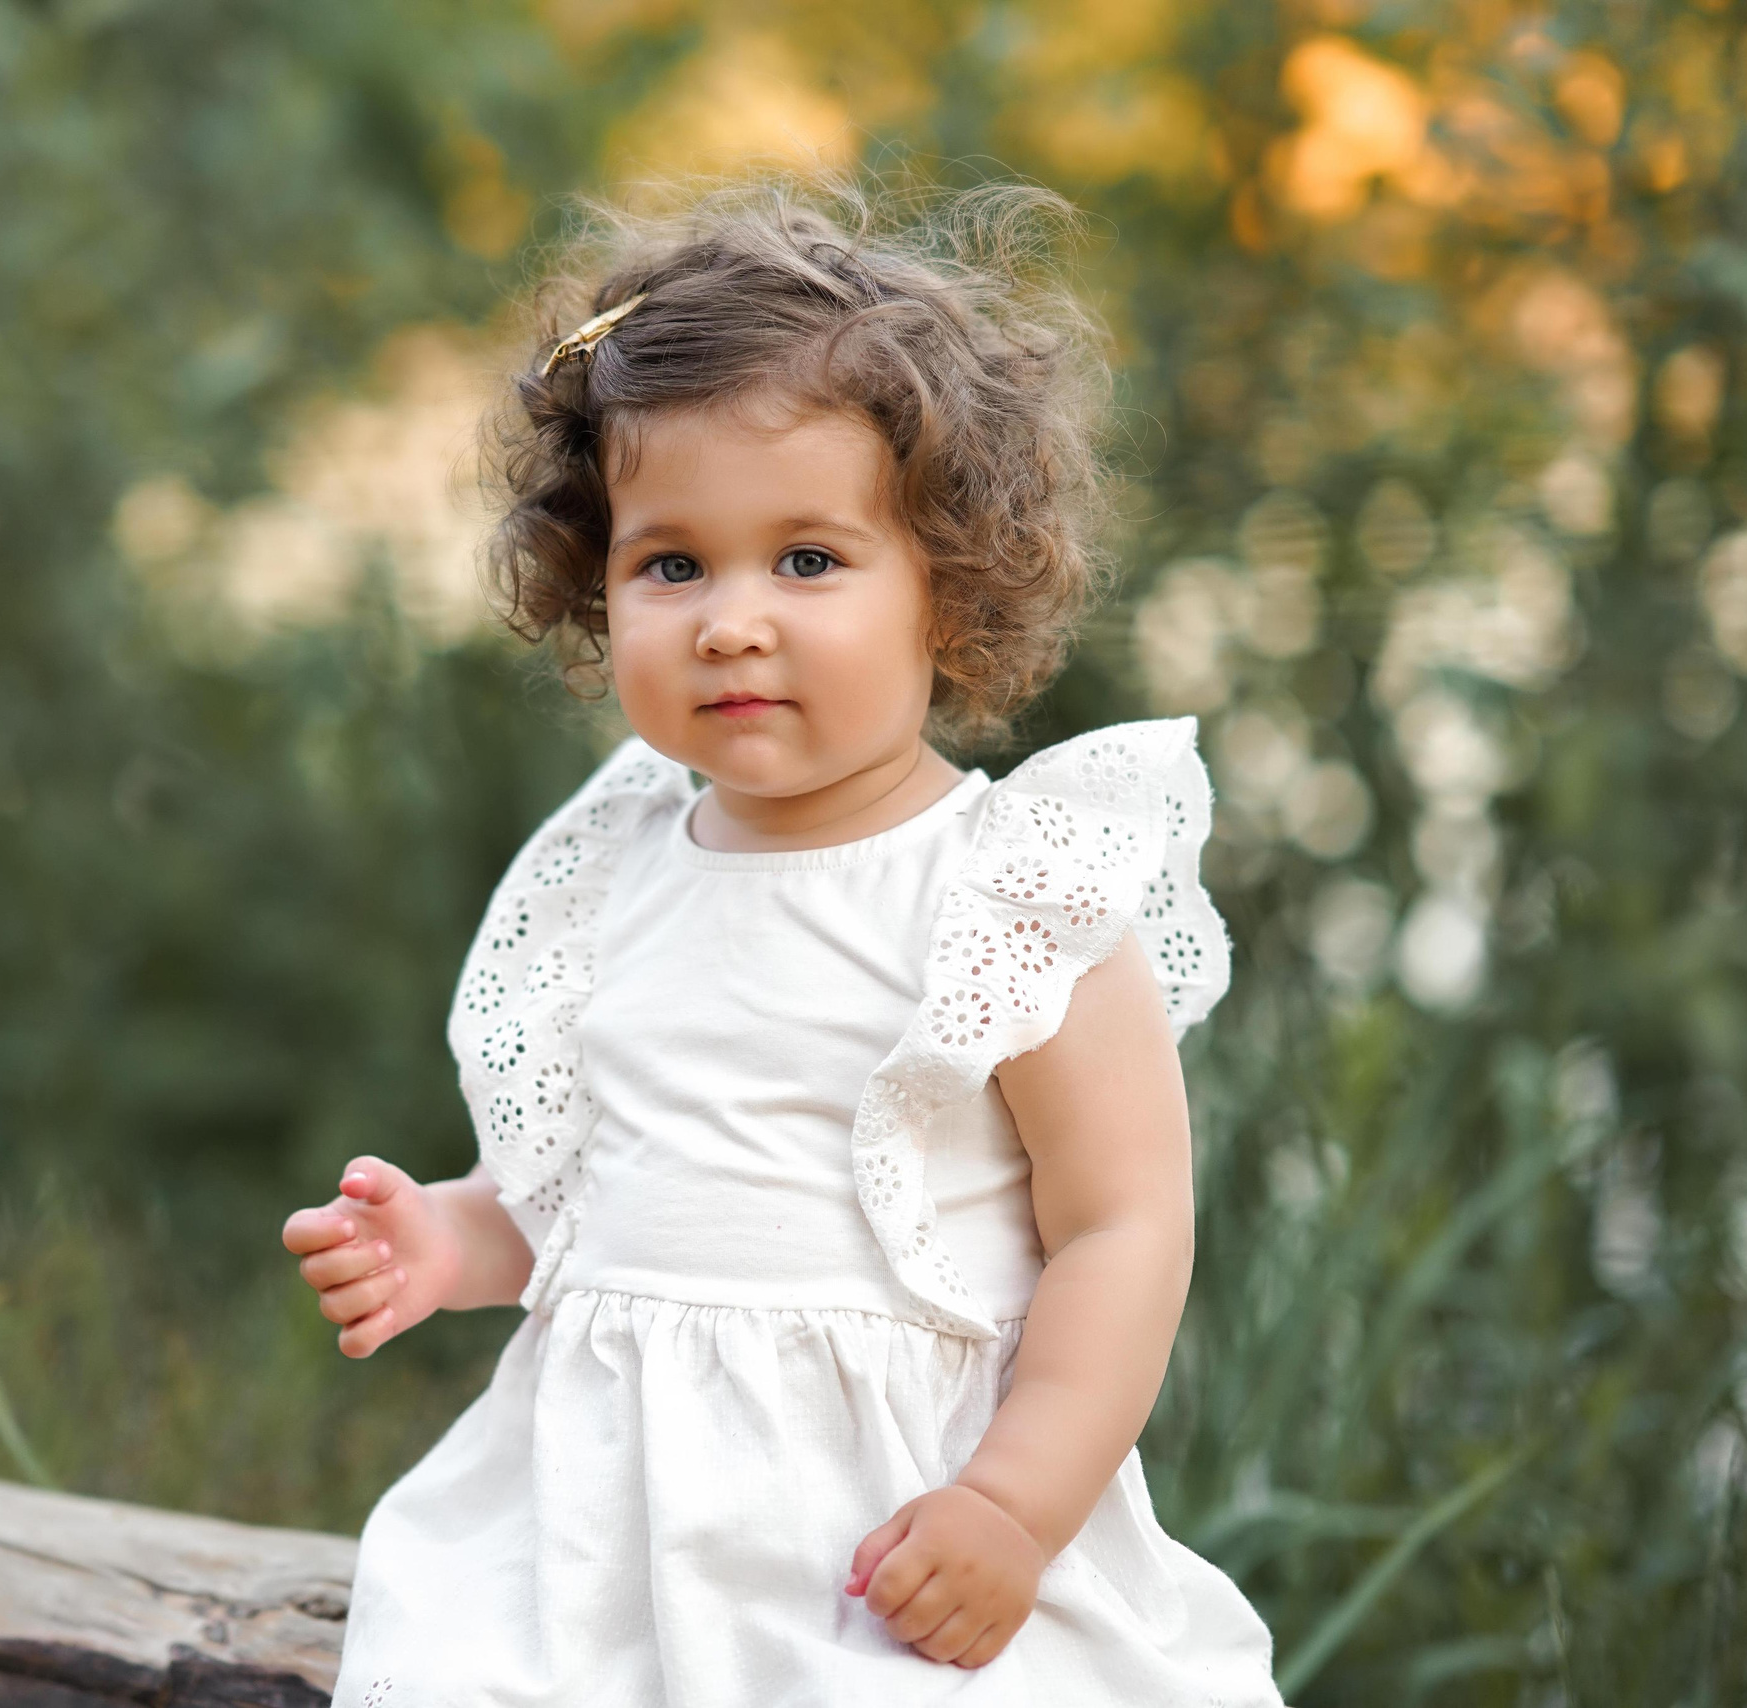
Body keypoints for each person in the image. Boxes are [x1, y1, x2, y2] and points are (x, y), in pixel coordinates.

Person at [281, 179, 1284, 1706]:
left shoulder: (1015, 891)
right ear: (595, 586)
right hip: (608, 1525)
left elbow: (1122, 1230)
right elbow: (593, 1200)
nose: (730, 622)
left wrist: (1015, 1507)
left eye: (808, 561)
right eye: (671, 564)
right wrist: (453, 1240)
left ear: (948, 585)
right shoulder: (613, 869)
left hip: (895, 1527)